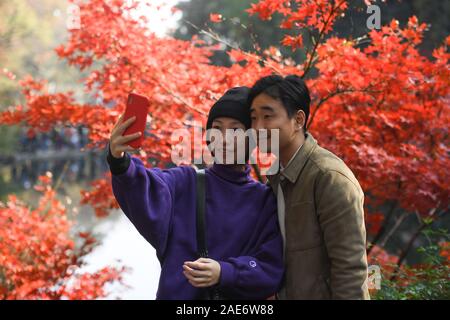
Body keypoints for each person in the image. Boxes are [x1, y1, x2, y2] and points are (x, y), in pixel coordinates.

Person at [106, 87, 284, 299]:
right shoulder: (185, 182)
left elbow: (271, 268)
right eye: (217, 129)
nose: (224, 139)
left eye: (236, 130)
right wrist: (119, 160)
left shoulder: (265, 201)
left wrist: (224, 272)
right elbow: (144, 185)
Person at [248, 75, 370, 299]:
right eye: (253, 118)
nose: (257, 127)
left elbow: (351, 270)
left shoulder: (329, 177)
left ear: (298, 120)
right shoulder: (276, 180)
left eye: (267, 116)